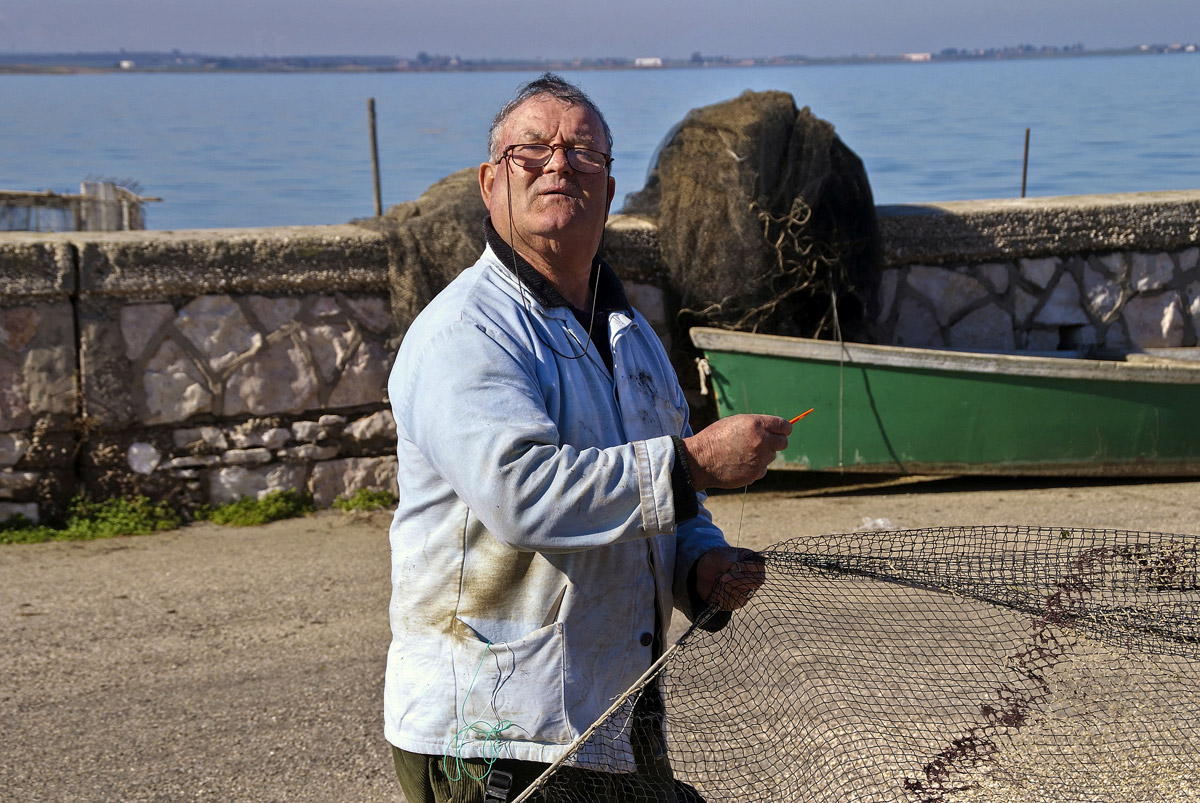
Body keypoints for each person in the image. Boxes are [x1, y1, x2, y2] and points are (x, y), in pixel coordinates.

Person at [384, 73, 793, 803]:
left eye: (583, 152)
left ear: (608, 192)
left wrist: (701, 571)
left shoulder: (630, 337)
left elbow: (671, 508)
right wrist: (695, 462)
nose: (558, 164)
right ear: (489, 183)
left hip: (613, 713)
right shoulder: (465, 333)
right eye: (530, 150)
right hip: (490, 734)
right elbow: (525, 493)